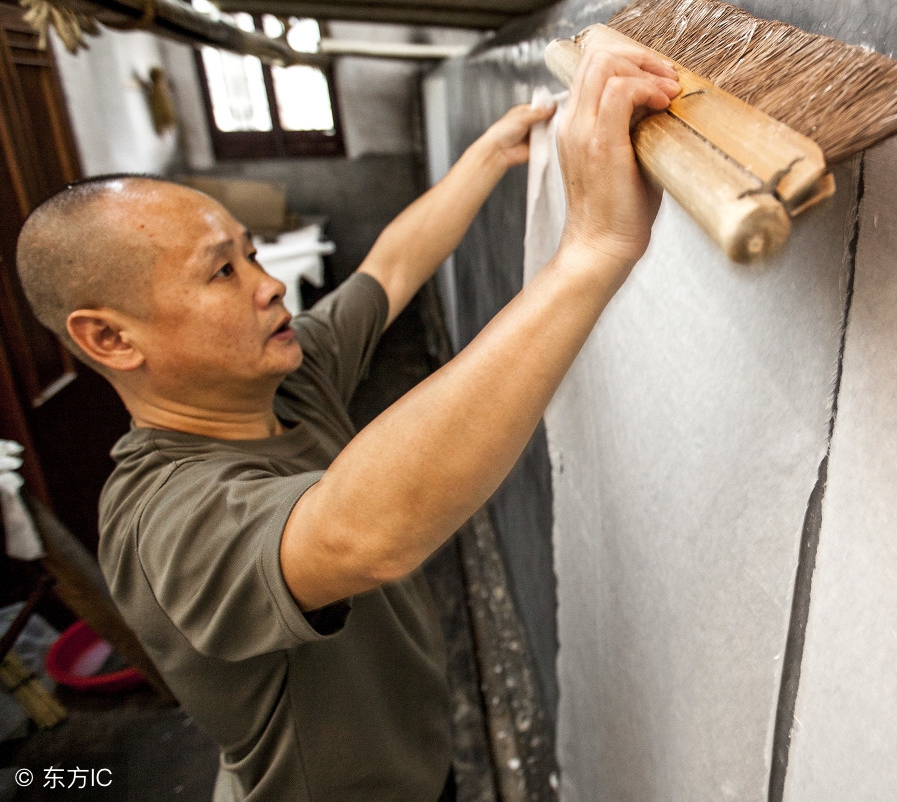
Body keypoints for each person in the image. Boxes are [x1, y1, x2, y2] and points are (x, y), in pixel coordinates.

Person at [15, 42, 680, 801]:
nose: (270, 287)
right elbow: (360, 535)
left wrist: (487, 156)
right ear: (110, 338)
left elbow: (390, 269)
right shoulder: (162, 522)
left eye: (252, 254)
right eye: (223, 270)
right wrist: (591, 250)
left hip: (421, 767)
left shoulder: (281, 381)